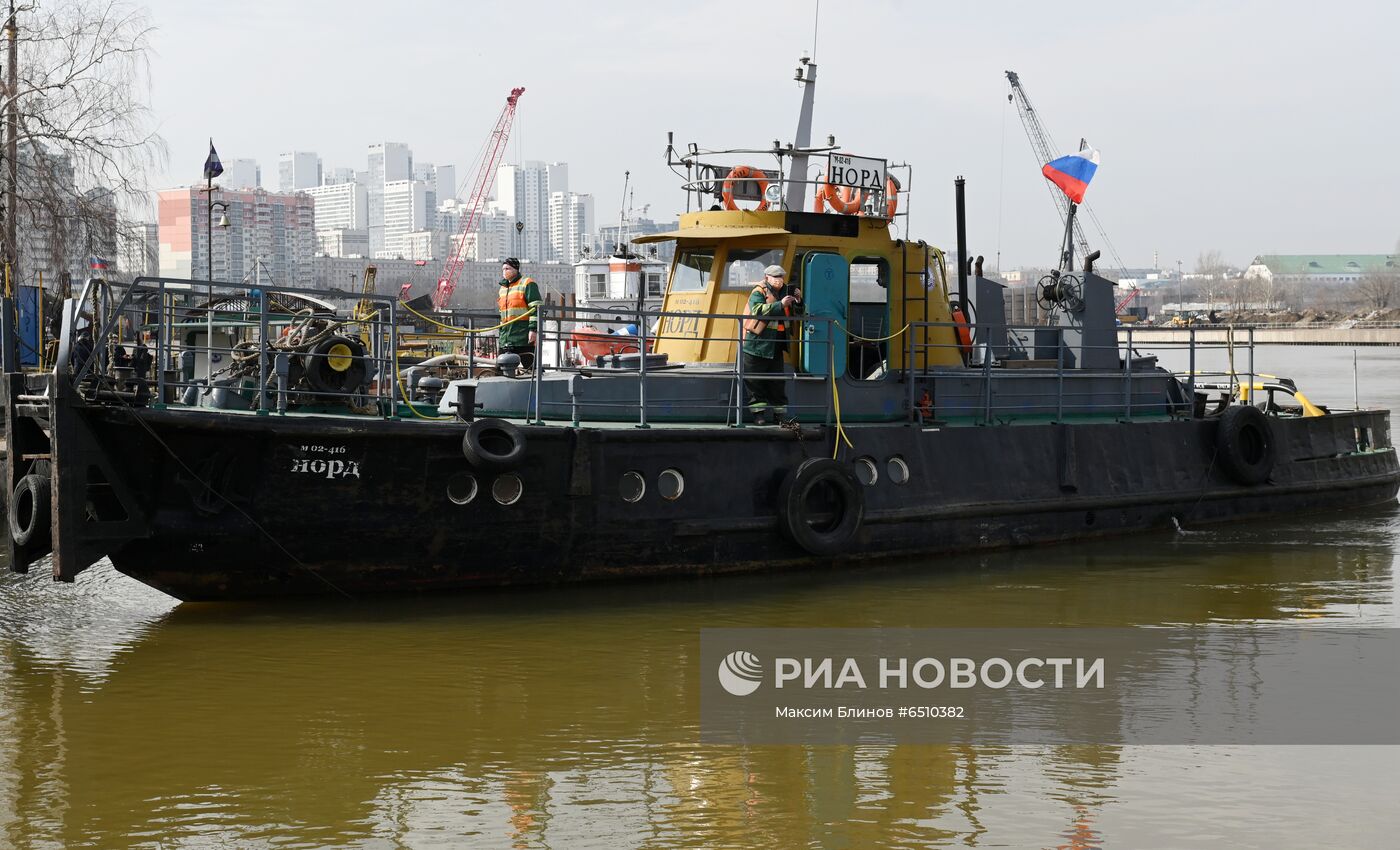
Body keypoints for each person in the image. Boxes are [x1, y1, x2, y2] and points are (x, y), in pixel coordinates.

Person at [741, 264, 801, 421]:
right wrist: (780, 304)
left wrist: (798, 301)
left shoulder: (787, 291)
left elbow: (798, 313)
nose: (779, 280)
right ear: (767, 277)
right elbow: (757, 310)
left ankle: (779, 414)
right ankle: (758, 415)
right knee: (755, 381)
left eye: (781, 277)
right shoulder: (759, 291)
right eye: (776, 277)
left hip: (776, 345)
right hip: (757, 345)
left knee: (777, 382)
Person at [496, 258, 542, 368]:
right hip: (506, 338)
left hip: (522, 336)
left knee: (531, 368)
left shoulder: (527, 283)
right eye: (503, 269)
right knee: (500, 369)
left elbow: (536, 308)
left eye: (508, 268)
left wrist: (533, 330)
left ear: (516, 269)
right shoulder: (502, 288)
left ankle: (540, 384)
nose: (504, 271)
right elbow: (502, 313)